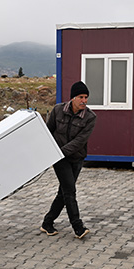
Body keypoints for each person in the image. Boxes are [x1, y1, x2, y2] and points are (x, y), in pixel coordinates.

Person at [41, 81, 97, 239]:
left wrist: (61, 152)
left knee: (64, 192)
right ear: (73, 98)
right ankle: (78, 226)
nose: (84, 100)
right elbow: (48, 131)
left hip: (76, 158)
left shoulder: (90, 117)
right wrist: (51, 153)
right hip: (60, 159)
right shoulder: (58, 110)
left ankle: (47, 222)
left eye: (86, 97)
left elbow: (80, 141)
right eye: (81, 97)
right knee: (70, 191)